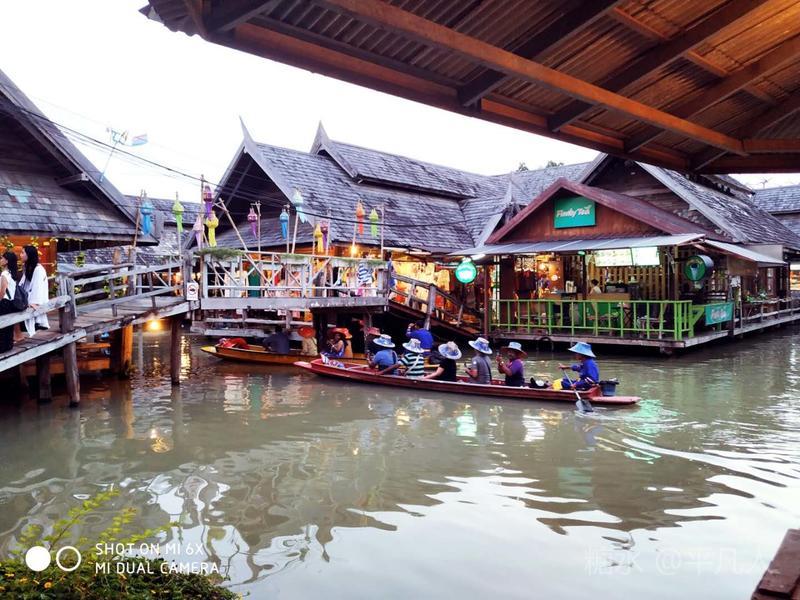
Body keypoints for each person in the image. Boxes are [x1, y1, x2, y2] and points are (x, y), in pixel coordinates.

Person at [19, 245, 49, 337]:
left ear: (29, 255)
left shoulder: (38, 269)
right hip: (28, 297)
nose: (20, 255)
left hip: (36, 299)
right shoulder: (28, 267)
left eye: (22, 253)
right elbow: (22, 284)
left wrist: (33, 302)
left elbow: (38, 287)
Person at [0, 251, 21, 352]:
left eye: (2, 258)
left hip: (4, 302)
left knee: (2, 325)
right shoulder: (12, 273)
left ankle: (2, 347)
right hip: (11, 303)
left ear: (7, 261)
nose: (0, 260)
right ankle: (8, 345)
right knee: (8, 325)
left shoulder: (4, 274)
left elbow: (2, 291)